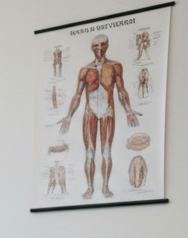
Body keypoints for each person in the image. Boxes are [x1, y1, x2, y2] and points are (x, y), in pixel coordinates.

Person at [59, 34, 141, 200]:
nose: (99, 48)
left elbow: (121, 90)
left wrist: (129, 110)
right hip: (90, 112)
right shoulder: (85, 70)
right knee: (89, 153)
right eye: (96, 45)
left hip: (107, 111)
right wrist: (68, 116)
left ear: (107, 46)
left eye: (102, 45)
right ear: (92, 48)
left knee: (106, 152)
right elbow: (77, 96)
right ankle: (90, 188)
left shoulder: (115, 67)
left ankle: (105, 187)